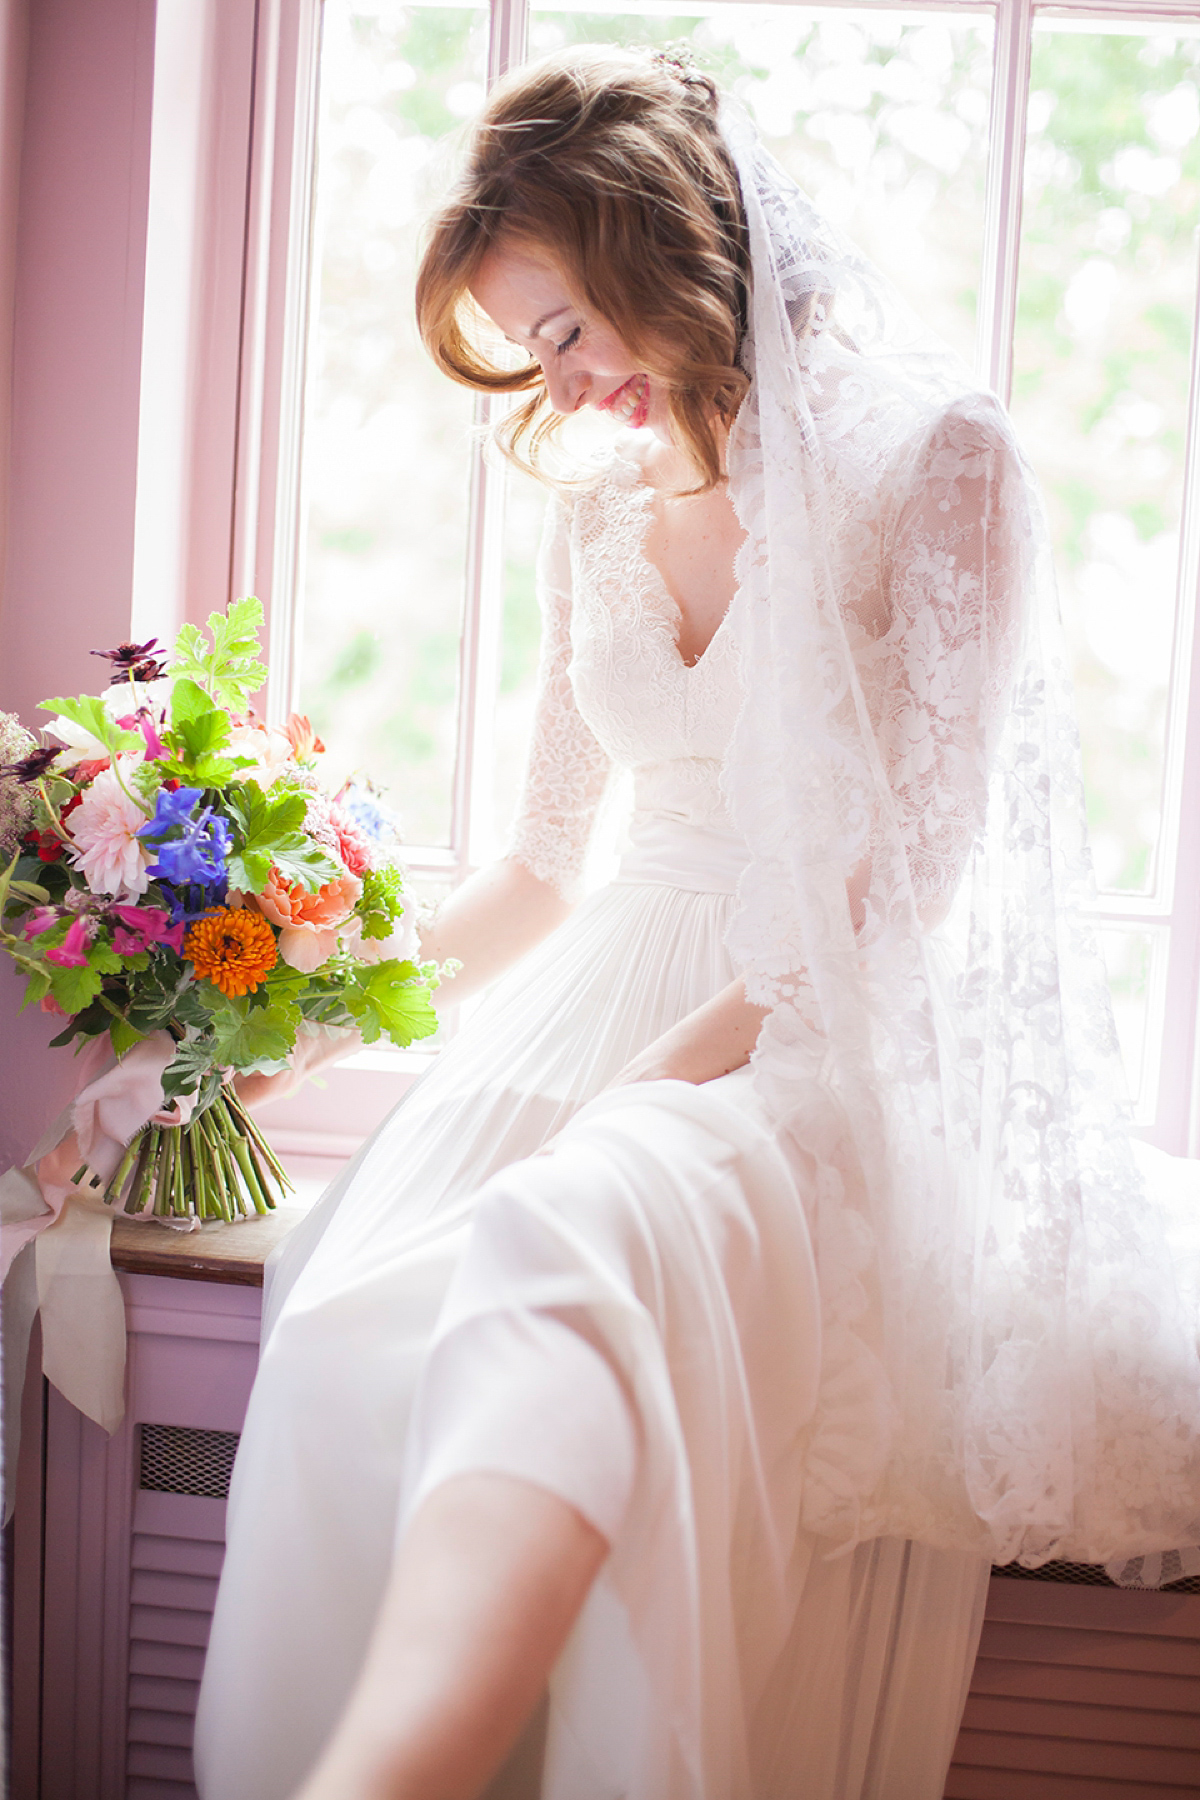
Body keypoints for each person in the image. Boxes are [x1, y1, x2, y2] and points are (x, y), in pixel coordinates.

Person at [193, 46, 1200, 1800]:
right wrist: (273, 1047)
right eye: (534, 351)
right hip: (592, 996)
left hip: (804, 1037)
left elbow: (912, 883)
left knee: (567, 1315)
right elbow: (539, 865)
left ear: (668, 248)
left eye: (569, 329)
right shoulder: (599, 510)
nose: (561, 387)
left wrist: (661, 1083)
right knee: (352, 1317)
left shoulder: (934, 459)